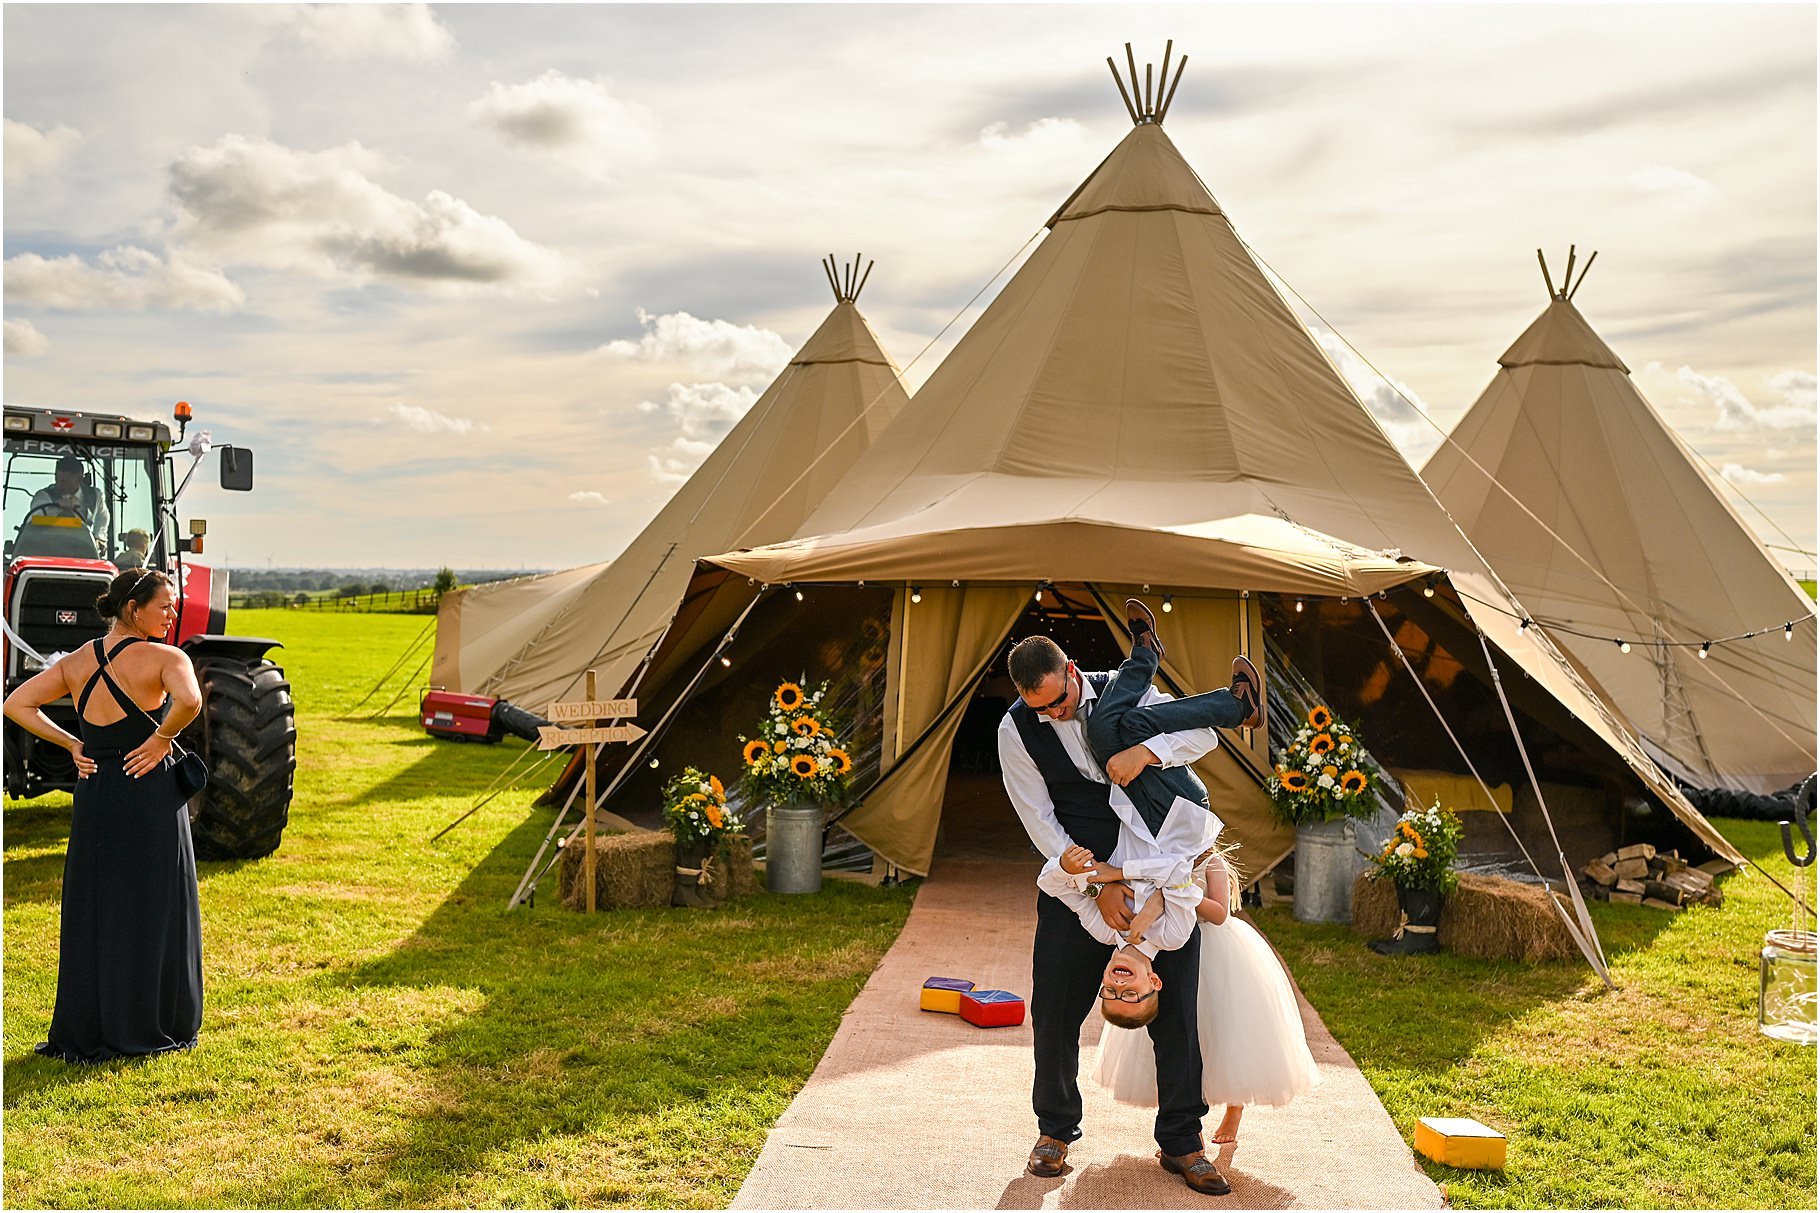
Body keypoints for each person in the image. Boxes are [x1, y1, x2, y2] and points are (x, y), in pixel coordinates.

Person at [1000, 631, 1231, 1195]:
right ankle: (1054, 1131)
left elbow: (1202, 735)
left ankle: (1182, 1140)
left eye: (1060, 700)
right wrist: (1089, 880)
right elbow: (1037, 818)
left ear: (1073, 671)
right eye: (1040, 708)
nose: (1054, 714)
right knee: (1053, 1009)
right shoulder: (1014, 730)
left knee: (1177, 1013)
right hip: (1081, 879)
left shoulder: (1126, 693)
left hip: (1158, 867)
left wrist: (1147, 752)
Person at [3, 568, 205, 1063]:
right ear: (134, 609)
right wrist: (160, 739)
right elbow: (191, 701)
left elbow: (16, 703)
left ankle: (88, 1027)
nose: (172, 614)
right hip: (147, 789)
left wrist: (74, 743)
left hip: (95, 792)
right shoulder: (166, 657)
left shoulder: (76, 660)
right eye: (165, 606)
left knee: (96, 908)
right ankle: (148, 1023)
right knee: (152, 908)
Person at [1095, 849, 1321, 1144]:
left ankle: (1234, 1107)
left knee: (1226, 1030)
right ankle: (1185, 1120)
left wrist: (1180, 894)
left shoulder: (1211, 863)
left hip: (1217, 953)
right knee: (1189, 1035)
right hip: (1174, 949)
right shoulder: (1155, 860)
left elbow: (1219, 913)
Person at [28, 454, 111, 546]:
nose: (59, 485)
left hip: (85, 548)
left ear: (79, 480)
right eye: (57, 479)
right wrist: (56, 509)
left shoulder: (95, 496)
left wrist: (99, 537)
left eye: (65, 481)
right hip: (48, 546)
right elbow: (32, 522)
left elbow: (102, 516)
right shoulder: (43, 497)